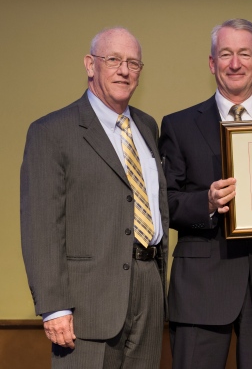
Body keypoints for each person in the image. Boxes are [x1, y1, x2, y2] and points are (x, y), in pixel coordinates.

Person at [159, 18, 252, 369]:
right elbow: (165, 203)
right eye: (225, 54)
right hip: (200, 291)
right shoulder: (178, 125)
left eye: (245, 54)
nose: (235, 63)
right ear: (212, 63)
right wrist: (207, 203)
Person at [20, 27, 169, 368]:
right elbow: (42, 225)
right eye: (113, 59)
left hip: (148, 286)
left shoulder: (147, 127)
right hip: (86, 301)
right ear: (90, 65)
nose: (124, 69)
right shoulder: (51, 131)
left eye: (133, 62)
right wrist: (54, 306)